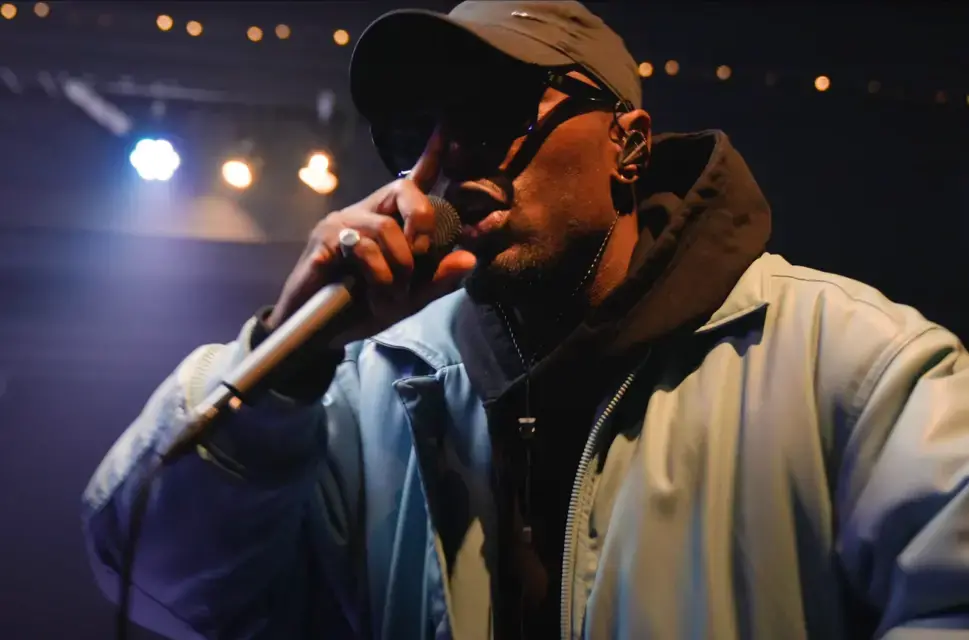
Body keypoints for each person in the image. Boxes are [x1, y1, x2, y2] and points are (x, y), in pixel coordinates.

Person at [82, 2, 969, 639]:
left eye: (498, 114)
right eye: (418, 129)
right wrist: (288, 346)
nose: (452, 155)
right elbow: (161, 588)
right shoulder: (364, 394)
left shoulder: (854, 367)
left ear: (627, 142)